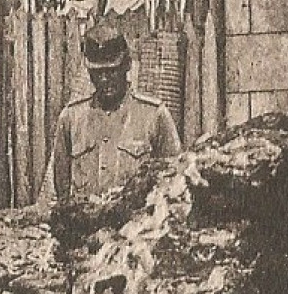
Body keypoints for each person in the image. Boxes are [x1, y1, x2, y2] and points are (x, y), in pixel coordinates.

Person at [36, 21, 182, 205]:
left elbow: (175, 183)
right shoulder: (72, 118)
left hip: (137, 229)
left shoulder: (154, 116)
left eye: (112, 71)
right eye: (97, 72)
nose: (104, 79)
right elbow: (62, 189)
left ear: (127, 65)